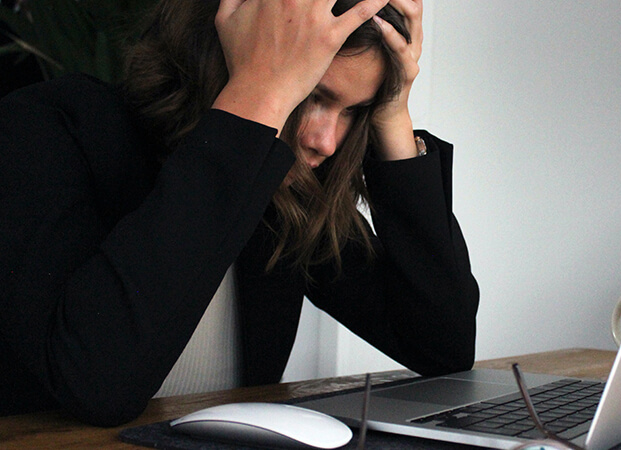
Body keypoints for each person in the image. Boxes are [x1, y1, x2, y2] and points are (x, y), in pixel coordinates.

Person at [0, 0, 478, 426]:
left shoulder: (285, 195)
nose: (326, 141)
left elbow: (442, 347)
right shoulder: (48, 128)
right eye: (313, 95)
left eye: (354, 110)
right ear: (227, 50)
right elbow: (97, 386)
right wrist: (257, 96)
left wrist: (393, 115)